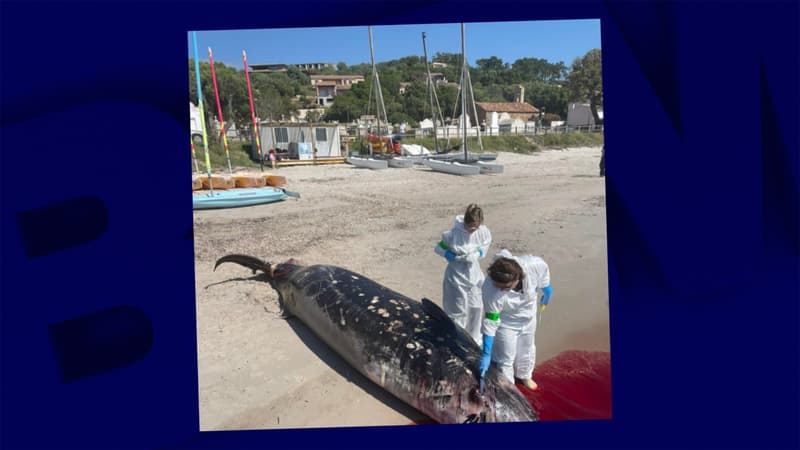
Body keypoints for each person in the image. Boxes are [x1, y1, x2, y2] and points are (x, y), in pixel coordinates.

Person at [478, 249, 553, 390]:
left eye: (506, 287)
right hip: (506, 322)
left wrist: (547, 290)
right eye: (498, 286)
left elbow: (544, 275)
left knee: (527, 347)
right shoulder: (490, 289)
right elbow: (491, 320)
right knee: (506, 356)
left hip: (528, 316)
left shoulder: (534, 265)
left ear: (517, 278)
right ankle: (509, 387)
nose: (501, 289)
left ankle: (525, 375)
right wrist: (486, 353)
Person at [433, 204, 492, 344]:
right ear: (465, 222)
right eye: (470, 227)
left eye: (475, 227)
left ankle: (474, 339)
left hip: (474, 275)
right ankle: (457, 339)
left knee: (476, 307)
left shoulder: (483, 232)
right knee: (458, 311)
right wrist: (449, 254)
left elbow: (485, 246)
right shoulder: (452, 234)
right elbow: (438, 248)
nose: (472, 230)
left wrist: (478, 253)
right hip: (456, 276)